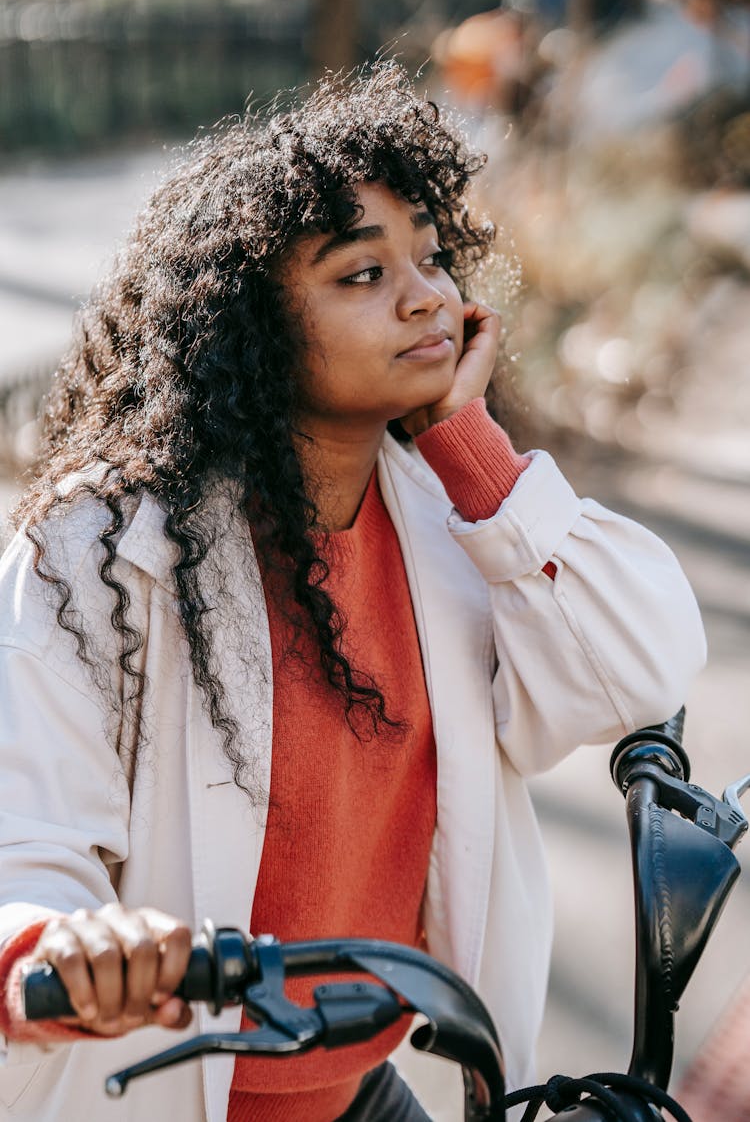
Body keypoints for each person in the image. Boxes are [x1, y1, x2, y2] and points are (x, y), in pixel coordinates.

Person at [0, 62, 705, 1122]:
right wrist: (61, 944)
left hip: (360, 1092)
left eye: (426, 255)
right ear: (251, 327)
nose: (428, 293)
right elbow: (25, 838)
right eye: (360, 274)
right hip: (161, 1100)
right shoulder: (104, 547)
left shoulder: (453, 515)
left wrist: (470, 446)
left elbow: (643, 666)